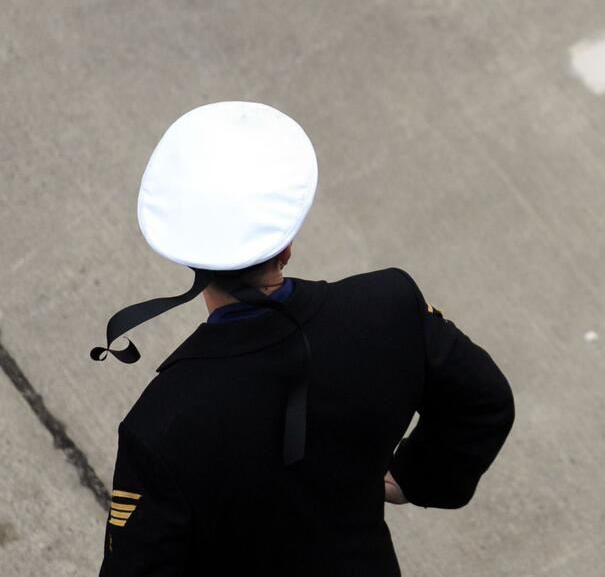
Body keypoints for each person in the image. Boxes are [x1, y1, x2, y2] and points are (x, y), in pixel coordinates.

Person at [90, 101, 514, 576]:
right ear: (286, 247)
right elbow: (485, 401)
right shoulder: (390, 308)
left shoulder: (160, 426)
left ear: (190, 254)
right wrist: (413, 477)